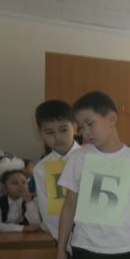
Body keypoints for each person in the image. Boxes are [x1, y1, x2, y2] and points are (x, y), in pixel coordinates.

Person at [55, 91, 130, 259]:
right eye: (81, 127)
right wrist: (61, 249)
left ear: (111, 118)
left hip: (126, 252)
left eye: (90, 124)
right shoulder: (78, 158)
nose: (85, 133)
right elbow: (69, 206)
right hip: (85, 250)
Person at [33, 100, 80, 243]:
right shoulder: (41, 168)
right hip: (63, 239)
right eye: (49, 132)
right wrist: (64, 242)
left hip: (95, 239)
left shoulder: (91, 159)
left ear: (75, 128)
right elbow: (47, 212)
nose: (58, 137)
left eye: (63, 130)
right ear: (40, 133)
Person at [0, 156, 42, 233]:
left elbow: (36, 224)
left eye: (24, 182)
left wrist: (29, 202)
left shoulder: (33, 200)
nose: (21, 186)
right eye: (15, 183)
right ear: (4, 187)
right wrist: (23, 228)